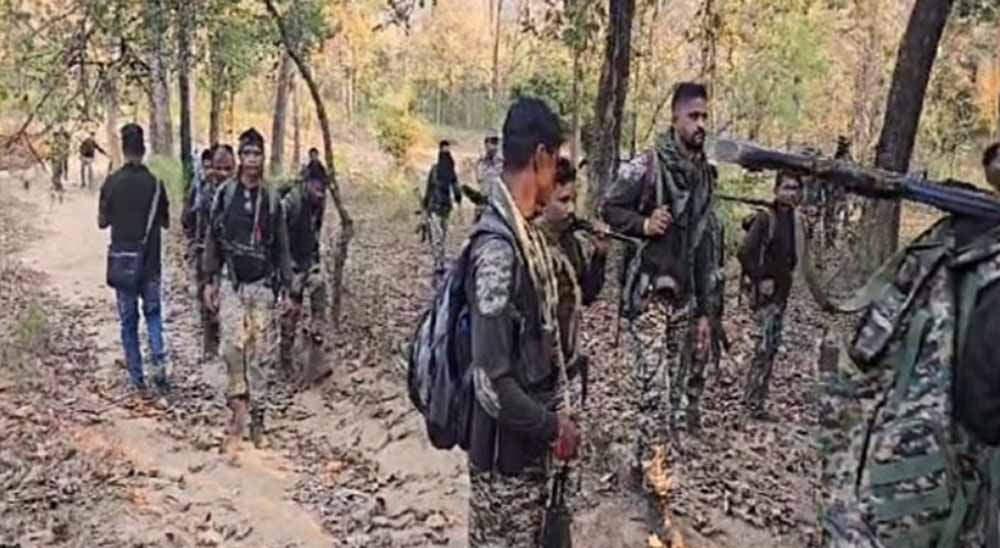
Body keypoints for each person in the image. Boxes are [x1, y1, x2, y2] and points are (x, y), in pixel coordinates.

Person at [819, 142, 1000, 548]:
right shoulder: (980, 256)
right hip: (927, 506)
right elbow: (984, 414)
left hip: (871, 479)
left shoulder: (951, 237)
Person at [602, 81, 719, 529]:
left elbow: (706, 247)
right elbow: (609, 208)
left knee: (665, 400)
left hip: (684, 303)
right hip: (648, 297)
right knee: (658, 403)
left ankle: (639, 468)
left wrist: (707, 313)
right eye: (693, 116)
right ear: (675, 118)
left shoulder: (703, 176)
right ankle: (659, 500)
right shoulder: (646, 164)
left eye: (704, 116)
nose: (700, 124)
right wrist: (644, 223)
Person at [465, 97, 580, 547]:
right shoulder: (498, 250)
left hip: (530, 459)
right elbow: (491, 384)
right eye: (556, 160)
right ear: (541, 157)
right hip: (505, 470)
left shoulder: (527, 236)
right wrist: (554, 428)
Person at [202, 128, 292, 454]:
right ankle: (237, 413)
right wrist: (209, 280)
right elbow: (212, 239)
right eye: (247, 154)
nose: (252, 160)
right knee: (231, 347)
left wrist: (287, 289)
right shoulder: (225, 195)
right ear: (240, 157)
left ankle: (259, 419)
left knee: (260, 355)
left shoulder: (272, 199)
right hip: (232, 283)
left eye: (257, 154)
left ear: (263, 158)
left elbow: (282, 246)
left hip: (263, 286)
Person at [98, 123, 171, 394]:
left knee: (128, 322)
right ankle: (159, 367)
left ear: (123, 147)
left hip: (123, 265)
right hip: (150, 264)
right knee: (153, 315)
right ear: (144, 148)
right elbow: (165, 222)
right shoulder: (156, 184)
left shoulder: (112, 182)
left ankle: (136, 377)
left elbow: (102, 222)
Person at [538, 157, 609, 402]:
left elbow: (586, 294)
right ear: (541, 199)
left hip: (567, 366)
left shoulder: (570, 242)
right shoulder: (527, 246)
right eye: (563, 200)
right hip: (537, 373)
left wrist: (600, 255)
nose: (570, 209)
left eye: (572, 201)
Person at [737, 171, 802, 419]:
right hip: (766, 295)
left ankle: (757, 402)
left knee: (771, 347)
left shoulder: (793, 219)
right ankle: (751, 405)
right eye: (787, 188)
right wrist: (760, 277)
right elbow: (744, 252)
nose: (791, 193)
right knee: (763, 348)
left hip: (781, 294)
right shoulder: (766, 218)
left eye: (795, 188)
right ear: (776, 190)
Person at [278, 160, 332, 384]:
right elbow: (278, 240)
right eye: (317, 188)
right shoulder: (290, 203)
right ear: (307, 183)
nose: (321, 194)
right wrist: (287, 274)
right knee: (292, 309)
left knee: (319, 285)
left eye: (323, 189)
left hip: (306, 257)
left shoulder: (318, 202)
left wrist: (314, 262)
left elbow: (315, 233)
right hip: (287, 260)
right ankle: (285, 361)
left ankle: (316, 339)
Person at [192, 144, 235, 361]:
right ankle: (210, 348)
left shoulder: (241, 192)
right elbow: (190, 218)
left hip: (233, 259)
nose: (223, 173)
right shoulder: (204, 190)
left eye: (228, 169)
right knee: (208, 303)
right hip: (206, 254)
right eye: (219, 168)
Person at [422, 140, 462, 287]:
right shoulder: (434, 170)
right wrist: (425, 205)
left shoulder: (450, 171)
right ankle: (438, 262)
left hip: (445, 208)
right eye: (443, 151)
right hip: (434, 207)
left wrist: (458, 198)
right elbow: (428, 189)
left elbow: (456, 188)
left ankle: (440, 261)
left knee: (442, 236)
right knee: (437, 236)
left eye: (447, 151)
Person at [183, 149, 216, 247]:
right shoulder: (197, 183)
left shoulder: (222, 186)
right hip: (199, 237)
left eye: (210, 167)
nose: (208, 171)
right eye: (206, 167)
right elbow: (188, 210)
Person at [474, 131, 503, 220]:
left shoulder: (504, 163)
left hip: (500, 206)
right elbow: (479, 180)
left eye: (495, 142)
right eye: (490, 142)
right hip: (484, 204)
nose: (492, 146)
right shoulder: (481, 163)